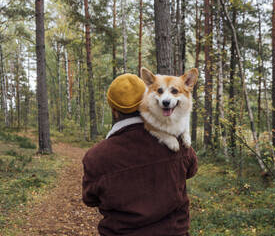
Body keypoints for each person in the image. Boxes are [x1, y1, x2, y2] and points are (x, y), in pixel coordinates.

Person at [82, 73, 198, 236]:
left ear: (114, 111)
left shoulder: (96, 156)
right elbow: (192, 170)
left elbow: (90, 199)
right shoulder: (177, 142)